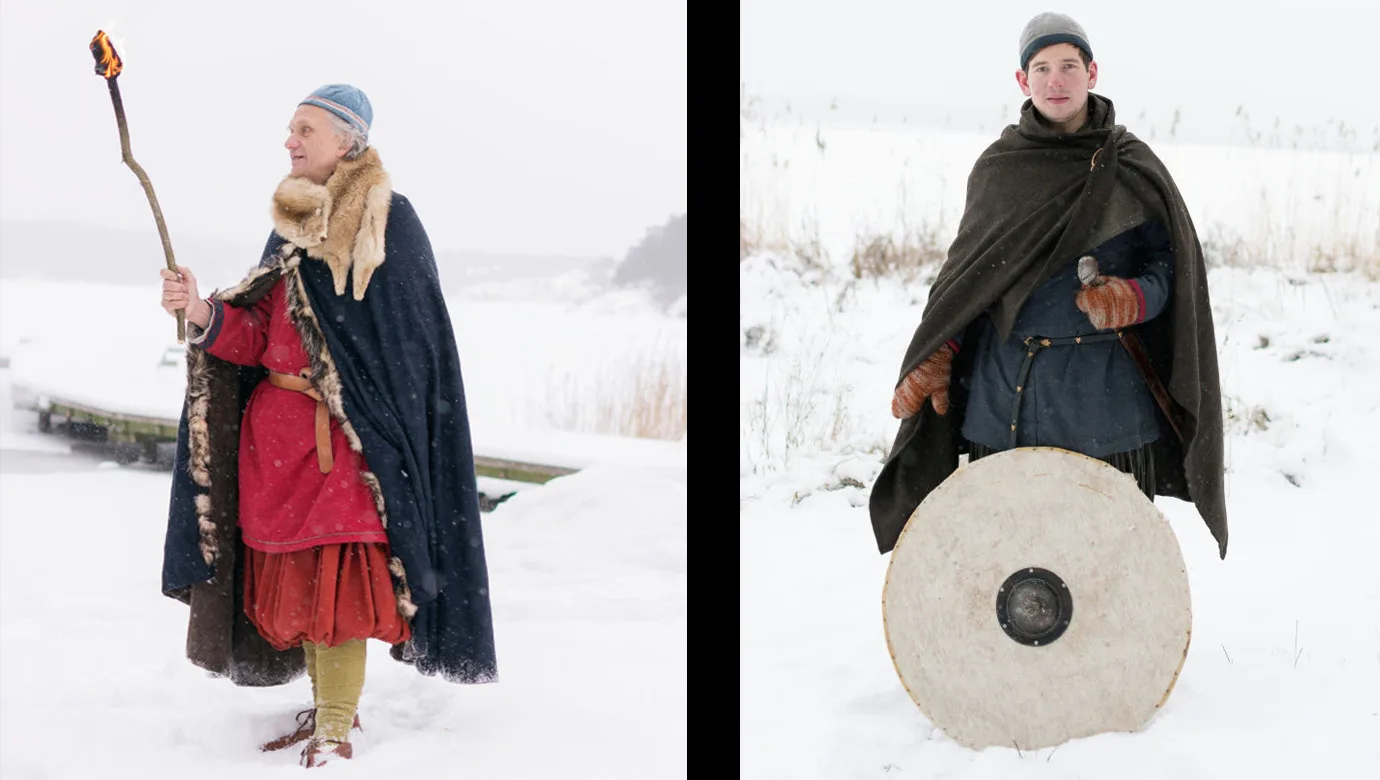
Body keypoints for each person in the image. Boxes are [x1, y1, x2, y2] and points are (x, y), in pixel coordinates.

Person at [158, 83, 497, 768]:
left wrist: (375, 420)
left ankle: (336, 727)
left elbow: (406, 344)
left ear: (347, 140)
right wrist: (201, 312)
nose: (290, 140)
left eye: (304, 129)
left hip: (346, 449)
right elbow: (260, 336)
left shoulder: (385, 220)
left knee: (338, 592)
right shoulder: (292, 222)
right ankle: (326, 706)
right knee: (301, 590)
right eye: (289, 129)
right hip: (275, 448)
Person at [867, 12, 1229, 559]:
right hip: (1004, 400)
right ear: (1022, 80)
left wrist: (1132, 298)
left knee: (1104, 561)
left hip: (1103, 403)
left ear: (1092, 72)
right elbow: (968, 279)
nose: (1055, 80)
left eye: (1068, 66)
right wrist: (942, 347)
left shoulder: (1130, 165)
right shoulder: (999, 168)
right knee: (1006, 563)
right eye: (1042, 68)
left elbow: (1170, 269)